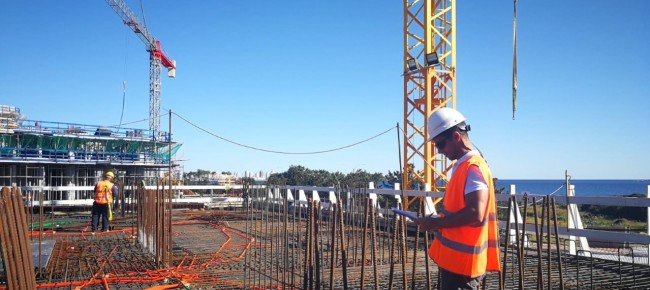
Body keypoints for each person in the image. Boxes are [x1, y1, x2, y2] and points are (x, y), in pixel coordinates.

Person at [414, 108, 500, 290]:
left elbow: (475, 213)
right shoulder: (462, 166)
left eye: (440, 145)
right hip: (456, 262)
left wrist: (436, 224)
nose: (439, 151)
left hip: (465, 265)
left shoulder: (473, 168)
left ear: (456, 137)